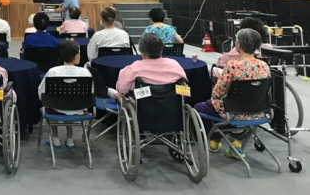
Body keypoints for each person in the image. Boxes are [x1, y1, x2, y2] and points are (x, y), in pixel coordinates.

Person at [196, 28, 271, 159]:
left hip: (232, 111)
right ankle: (235, 143)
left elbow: (217, 93)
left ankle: (215, 140)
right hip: (257, 111)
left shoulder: (232, 66)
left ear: (238, 45)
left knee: (199, 107)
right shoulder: (264, 65)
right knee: (231, 104)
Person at [38, 39, 92, 149]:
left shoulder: (53, 72)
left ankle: (55, 138)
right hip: (79, 109)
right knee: (71, 102)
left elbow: (41, 92)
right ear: (76, 56)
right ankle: (70, 138)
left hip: (56, 108)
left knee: (51, 104)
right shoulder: (85, 73)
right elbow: (92, 93)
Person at [115, 33, 187, 97]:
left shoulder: (134, 68)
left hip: (143, 105)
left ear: (142, 53)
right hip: (172, 105)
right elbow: (185, 89)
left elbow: (122, 90)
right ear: (161, 50)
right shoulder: (174, 64)